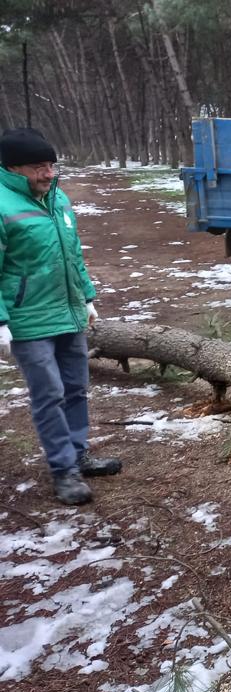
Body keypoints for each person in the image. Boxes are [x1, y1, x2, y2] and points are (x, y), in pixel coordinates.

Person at [0, 127, 121, 505]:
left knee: (76, 387)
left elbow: (73, 256)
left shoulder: (58, 199)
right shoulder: (3, 205)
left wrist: (86, 297)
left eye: (51, 165)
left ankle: (78, 453)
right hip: (28, 320)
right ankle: (63, 470)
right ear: (11, 168)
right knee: (49, 394)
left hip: (67, 313)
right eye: (39, 167)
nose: (49, 174)